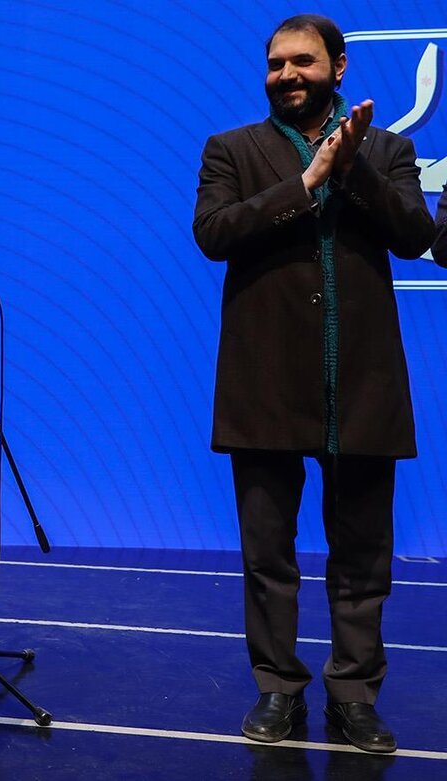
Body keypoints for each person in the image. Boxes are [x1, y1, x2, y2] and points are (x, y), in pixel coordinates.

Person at [192, 15, 436, 754]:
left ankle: (355, 695)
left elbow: (416, 237)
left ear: (339, 67)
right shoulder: (232, 149)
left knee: (363, 556)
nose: (287, 74)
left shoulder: (388, 151)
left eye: (303, 61)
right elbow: (213, 233)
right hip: (263, 382)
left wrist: (353, 168)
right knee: (268, 555)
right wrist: (307, 181)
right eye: (276, 63)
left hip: (361, 384)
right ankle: (278, 688)